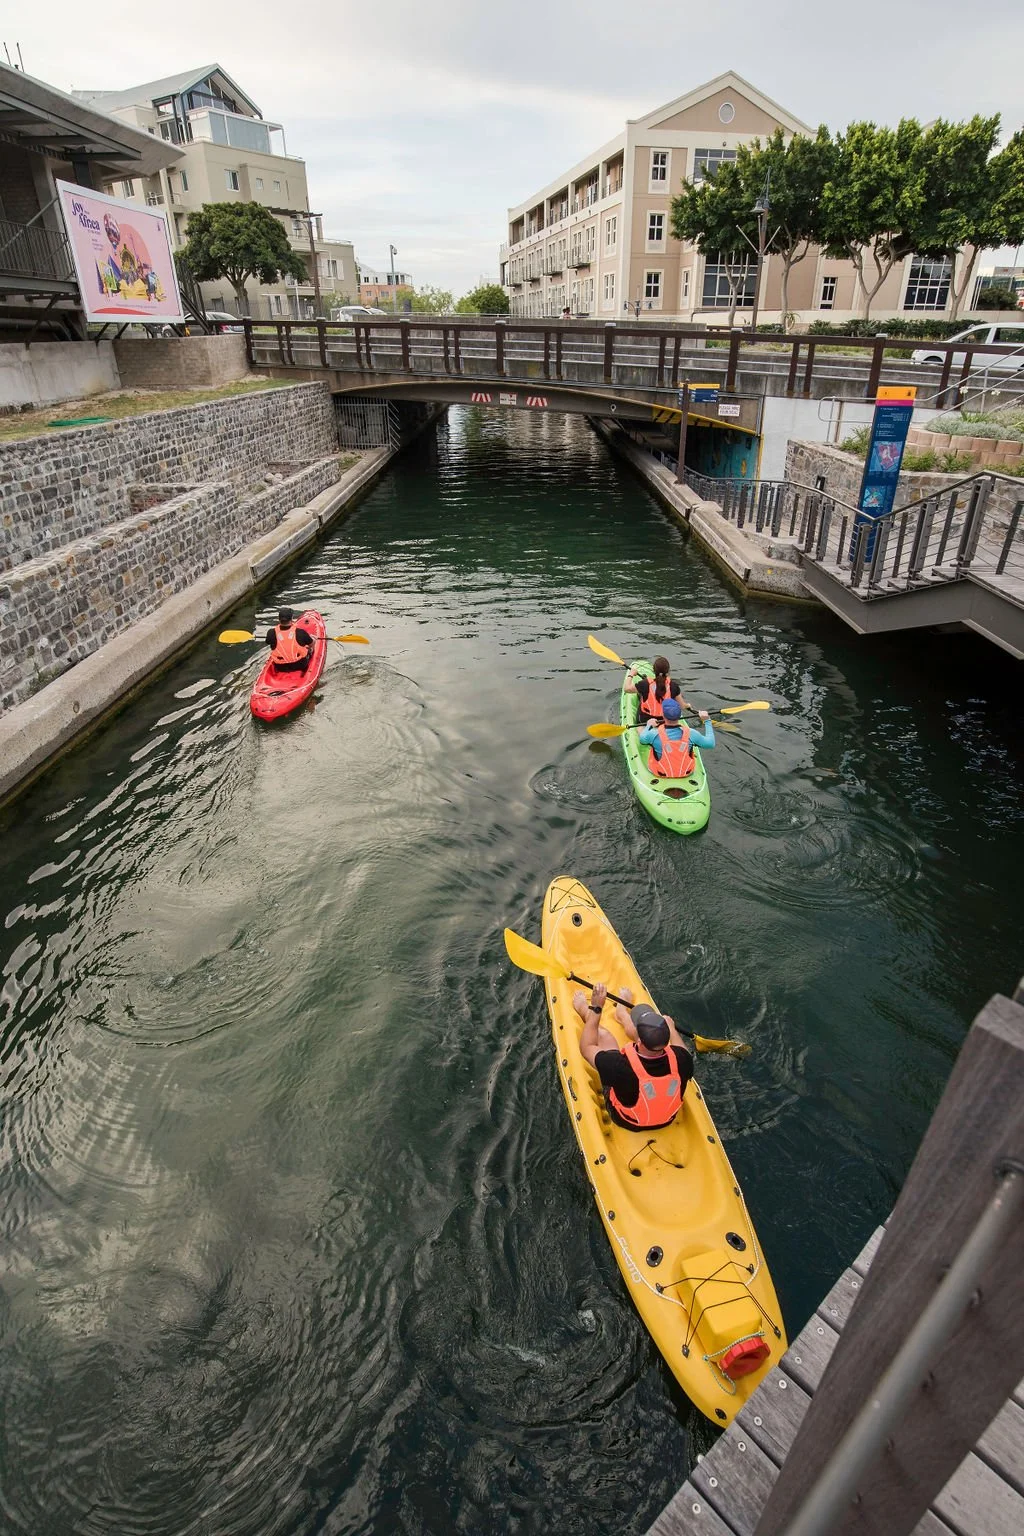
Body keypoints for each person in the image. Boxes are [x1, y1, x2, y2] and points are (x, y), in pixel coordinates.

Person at [573, 983, 693, 1130]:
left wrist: (596, 1008)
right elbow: (682, 1049)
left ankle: (583, 1009)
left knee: (604, 1035)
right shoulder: (683, 1059)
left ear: (639, 1041)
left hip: (627, 1120)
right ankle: (622, 1013)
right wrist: (672, 1028)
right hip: (667, 1120)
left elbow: (587, 1047)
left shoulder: (619, 1065)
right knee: (647, 1038)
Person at [639, 696, 715, 777]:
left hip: (660, 773)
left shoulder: (653, 733)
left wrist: (649, 725)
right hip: (686, 773)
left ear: (663, 715)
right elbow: (710, 744)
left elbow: (642, 739)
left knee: (642, 733)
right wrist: (707, 720)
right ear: (679, 716)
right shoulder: (692, 733)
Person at [624, 655, 689, 725]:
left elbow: (627, 688)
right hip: (665, 721)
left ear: (653, 670)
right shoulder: (674, 686)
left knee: (641, 695)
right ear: (668, 672)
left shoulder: (645, 684)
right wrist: (688, 705)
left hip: (646, 721)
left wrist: (631, 674)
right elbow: (682, 706)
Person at [264, 607, 314, 673]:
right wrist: (313, 639)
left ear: (279, 619)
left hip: (280, 667)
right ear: (291, 619)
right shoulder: (300, 632)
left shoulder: (271, 632)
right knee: (311, 647)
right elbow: (311, 644)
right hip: (300, 664)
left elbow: (268, 642)